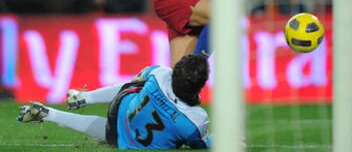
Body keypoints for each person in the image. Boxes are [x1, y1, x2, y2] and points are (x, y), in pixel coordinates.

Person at [17, 54, 212, 150]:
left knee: (136, 85)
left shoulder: (161, 74)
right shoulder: (195, 120)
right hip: (131, 142)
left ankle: (82, 98)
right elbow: (202, 145)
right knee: (114, 133)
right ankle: (54, 112)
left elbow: (139, 79)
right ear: (201, 84)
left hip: (121, 111)